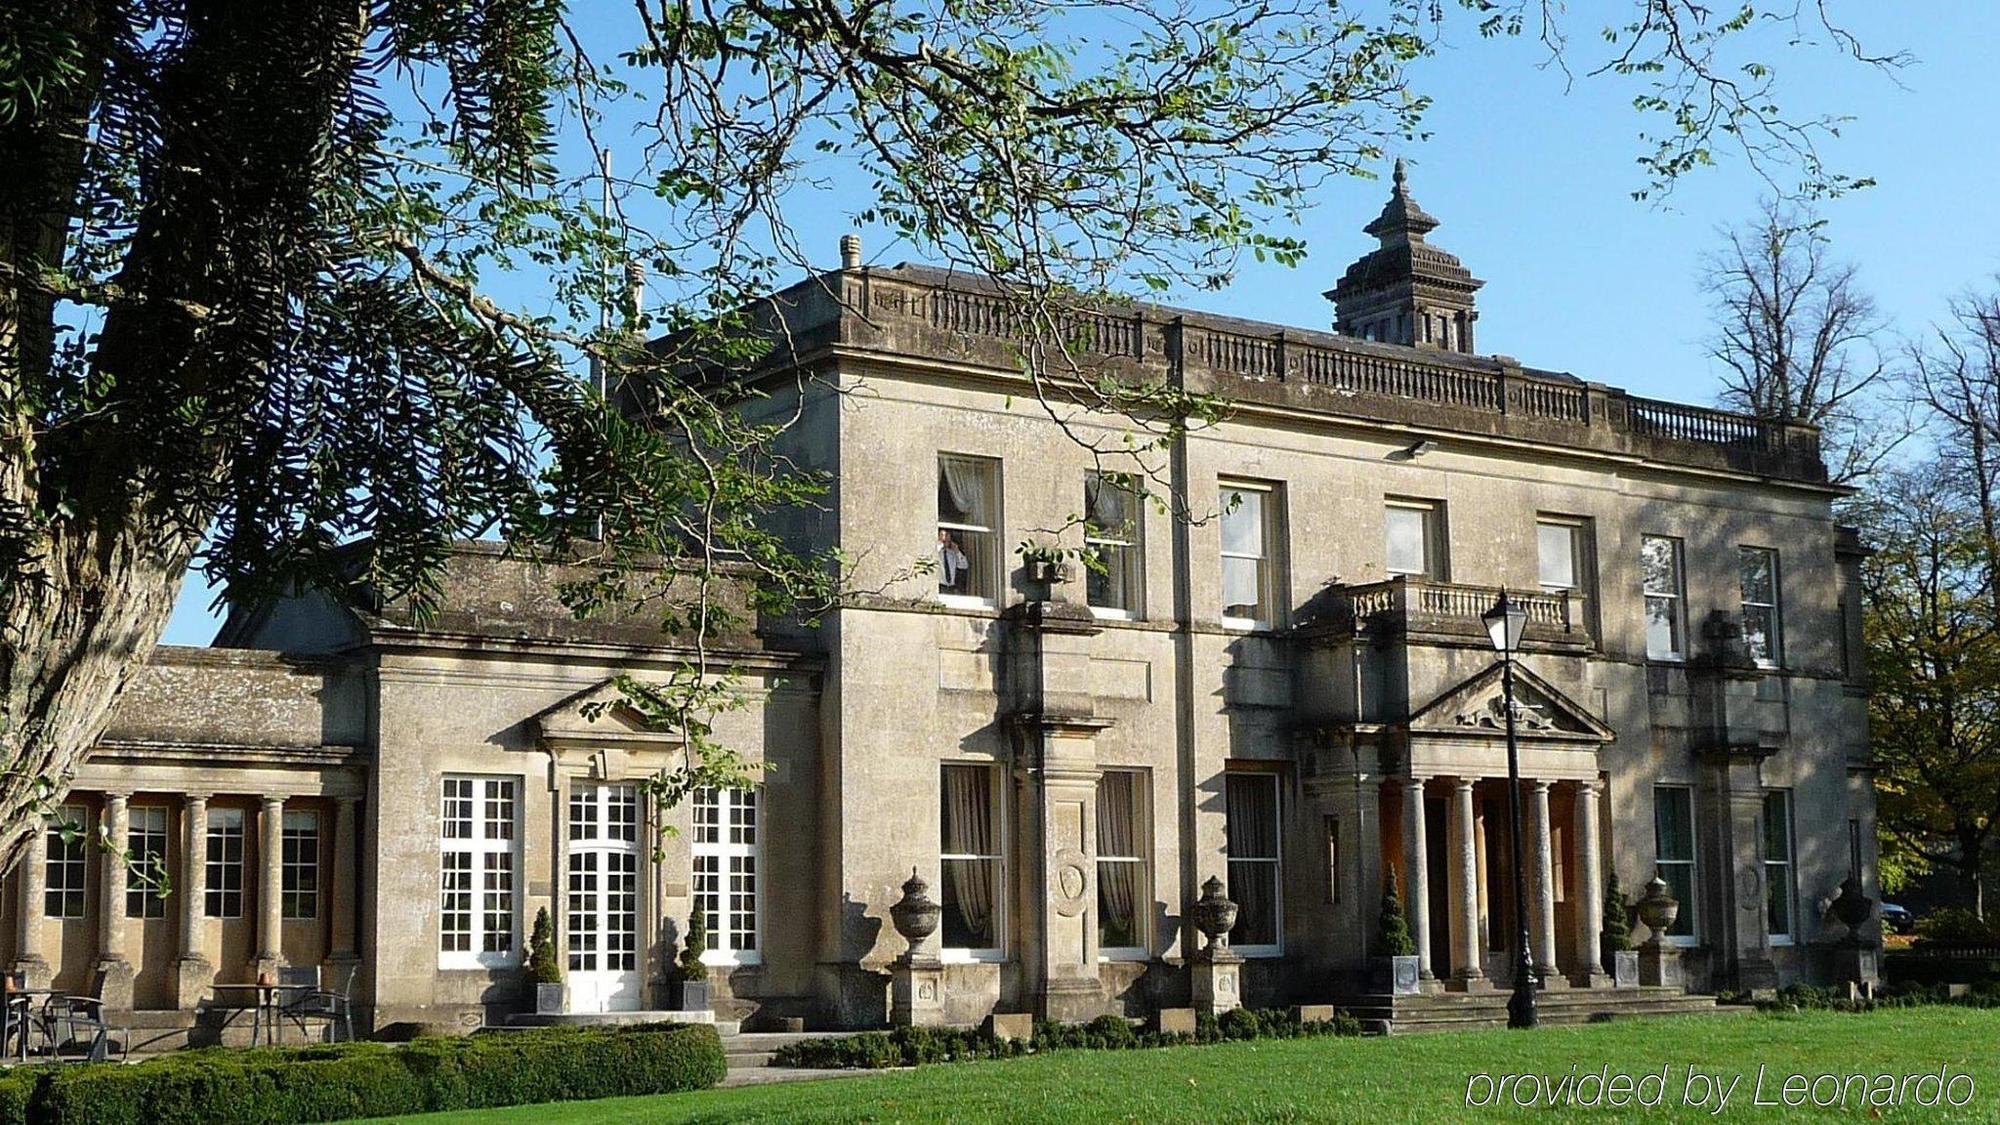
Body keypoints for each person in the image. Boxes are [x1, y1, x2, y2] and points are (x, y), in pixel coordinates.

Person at [936, 528, 970, 593]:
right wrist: (941, 544)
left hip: (951, 588)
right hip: (939, 587)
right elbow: (930, 557)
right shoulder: (936, 552)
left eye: (947, 535)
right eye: (943, 535)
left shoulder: (952, 553)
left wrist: (957, 551)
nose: (945, 538)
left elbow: (964, 565)